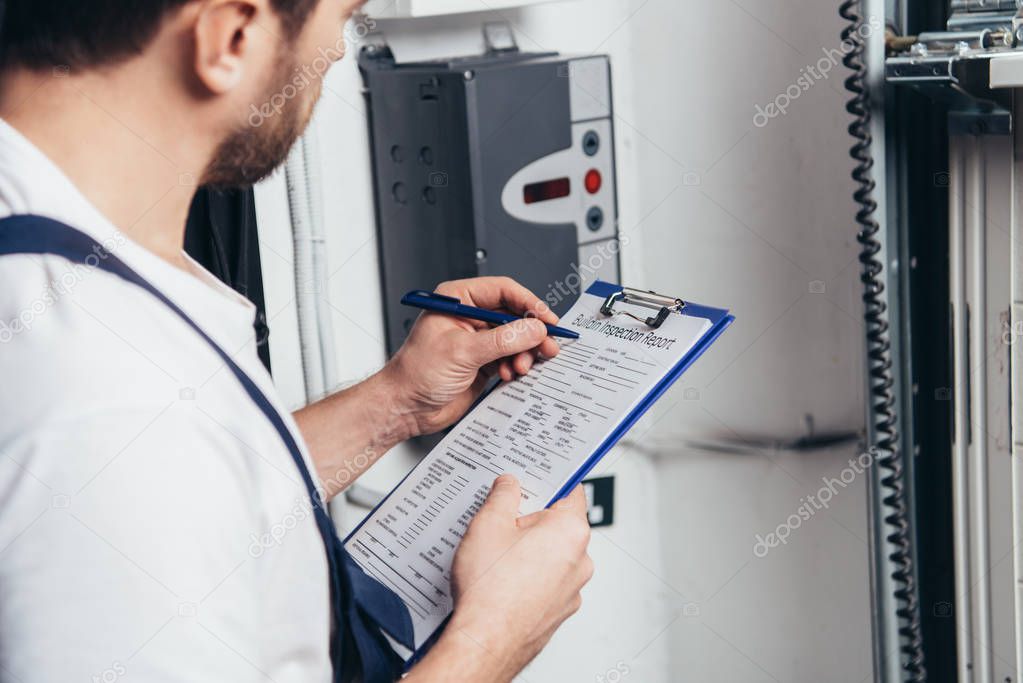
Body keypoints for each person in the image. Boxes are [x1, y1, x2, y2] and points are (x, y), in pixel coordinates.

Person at [0, 1, 593, 681]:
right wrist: (492, 637)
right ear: (231, 35)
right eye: (339, 17)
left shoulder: (48, 233)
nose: (338, 54)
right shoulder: (107, 396)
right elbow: (137, 457)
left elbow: (188, 492)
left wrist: (397, 403)